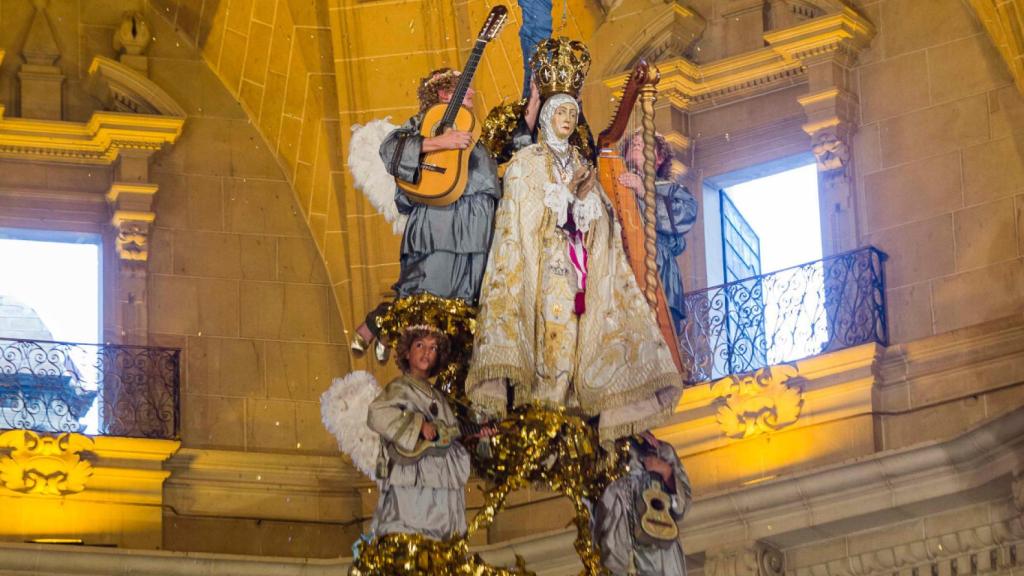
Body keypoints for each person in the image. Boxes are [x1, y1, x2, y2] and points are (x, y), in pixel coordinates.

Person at [465, 93, 683, 443]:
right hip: (543, 269)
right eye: (560, 111)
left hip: (578, 271)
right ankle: (541, 408)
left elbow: (601, 219)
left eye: (572, 112)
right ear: (547, 115)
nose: (567, 118)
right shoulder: (526, 162)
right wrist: (563, 198)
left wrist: (584, 204)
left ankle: (573, 406)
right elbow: (521, 218)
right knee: (548, 336)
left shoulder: (582, 162)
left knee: (575, 336)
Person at [351, 68, 501, 357]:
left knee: (464, 306)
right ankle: (380, 323)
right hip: (440, 222)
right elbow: (391, 149)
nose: (472, 92)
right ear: (446, 94)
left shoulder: (476, 133)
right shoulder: (426, 123)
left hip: (478, 228)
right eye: (464, 88)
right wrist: (439, 143)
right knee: (425, 288)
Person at [366, 326, 471, 540]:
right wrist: (418, 425)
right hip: (412, 476)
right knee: (412, 527)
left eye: (433, 348)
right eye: (420, 345)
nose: (426, 353)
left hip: (441, 479)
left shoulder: (439, 397)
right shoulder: (399, 387)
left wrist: (474, 434)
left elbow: (450, 433)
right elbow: (377, 413)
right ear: (407, 351)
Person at [617, 131, 699, 332]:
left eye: (643, 143)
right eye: (633, 143)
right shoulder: (616, 185)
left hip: (659, 268)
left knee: (662, 337)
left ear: (660, 158)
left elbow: (686, 215)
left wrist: (644, 192)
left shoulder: (671, 189)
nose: (636, 144)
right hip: (623, 266)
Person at [596, 431, 692, 575]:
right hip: (627, 536)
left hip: (662, 545)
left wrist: (666, 472)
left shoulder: (663, 451)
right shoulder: (609, 449)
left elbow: (682, 507)